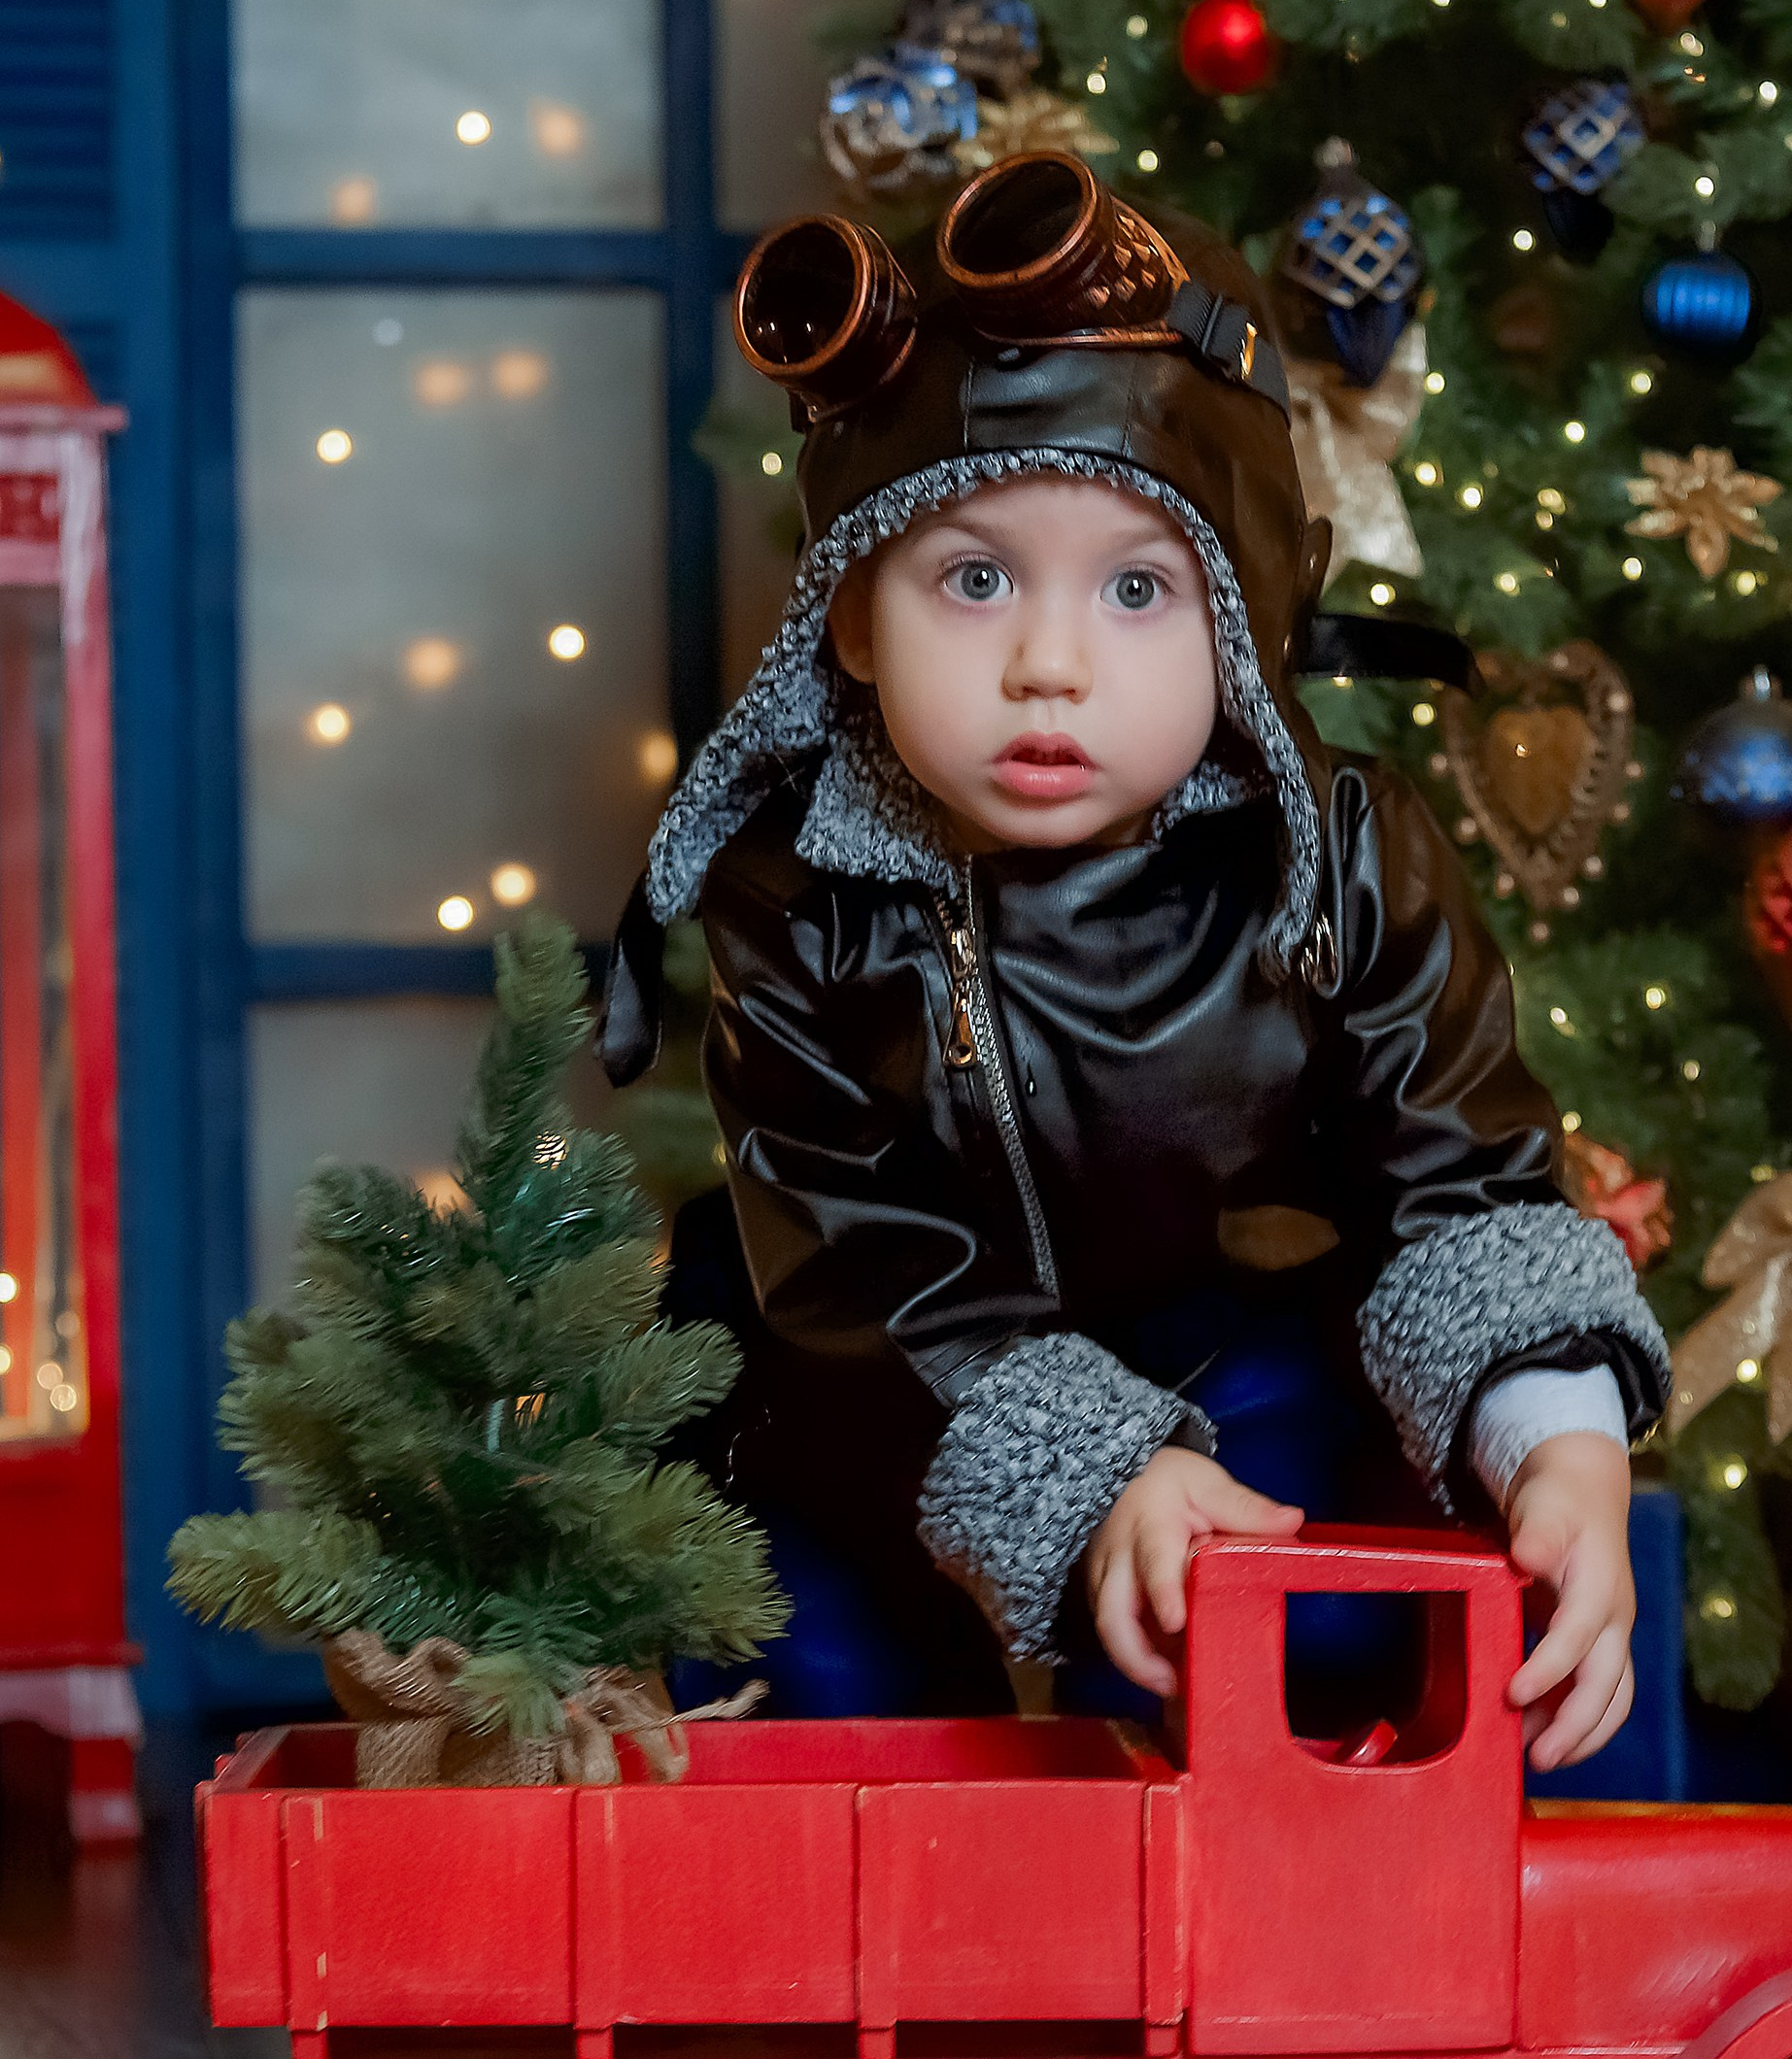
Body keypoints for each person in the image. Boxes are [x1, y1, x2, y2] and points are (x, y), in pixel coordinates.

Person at [605, 153, 1670, 1772]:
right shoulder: (800, 896)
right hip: (868, 1381)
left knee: (1283, 1605)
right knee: (805, 1709)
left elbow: (1459, 1182)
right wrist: (1078, 1462)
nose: (1048, 663)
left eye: (1135, 587)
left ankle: (1273, 1935)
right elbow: (849, 1254)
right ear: (850, 617)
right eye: (972, 580)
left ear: (1243, 616)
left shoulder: (1340, 855)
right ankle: (897, 1954)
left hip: (1223, 1337)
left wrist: (1557, 1443)